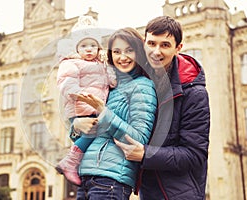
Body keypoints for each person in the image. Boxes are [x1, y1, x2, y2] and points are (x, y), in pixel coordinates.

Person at [114, 16, 211, 200]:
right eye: (151, 43)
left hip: (180, 194)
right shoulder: (138, 78)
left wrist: (145, 154)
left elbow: (194, 154)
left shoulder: (194, 92)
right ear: (144, 43)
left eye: (165, 45)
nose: (156, 51)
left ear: (178, 48)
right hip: (147, 191)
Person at [71, 27, 157, 199]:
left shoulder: (143, 86)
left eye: (128, 51)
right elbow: (90, 134)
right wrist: (76, 126)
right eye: (116, 51)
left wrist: (104, 112)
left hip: (111, 180)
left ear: (139, 52)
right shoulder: (109, 86)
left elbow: (138, 139)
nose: (122, 57)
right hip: (86, 176)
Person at [55, 16, 117, 186]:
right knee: (95, 129)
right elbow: (66, 82)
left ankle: (74, 163)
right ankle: (70, 161)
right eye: (83, 46)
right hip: (80, 109)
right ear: (77, 48)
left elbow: (110, 81)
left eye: (93, 46)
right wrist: (78, 94)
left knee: (97, 130)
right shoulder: (72, 62)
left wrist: (110, 71)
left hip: (92, 108)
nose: (88, 50)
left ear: (99, 48)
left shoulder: (100, 64)